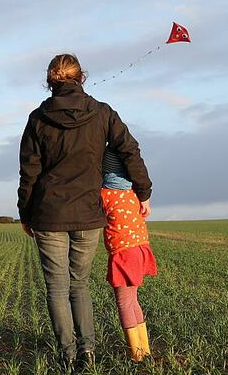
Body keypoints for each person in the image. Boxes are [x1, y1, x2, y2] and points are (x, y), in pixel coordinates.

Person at [17, 54, 152, 370]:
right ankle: (87, 352)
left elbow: (29, 172)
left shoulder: (37, 118)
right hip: (89, 214)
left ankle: (67, 355)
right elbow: (129, 150)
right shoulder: (102, 113)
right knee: (79, 285)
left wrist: (25, 212)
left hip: (48, 215)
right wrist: (143, 192)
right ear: (82, 78)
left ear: (51, 81)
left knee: (57, 287)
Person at [101, 148, 157, 361]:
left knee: (124, 303)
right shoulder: (134, 193)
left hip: (124, 255)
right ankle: (144, 350)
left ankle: (136, 355)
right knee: (132, 301)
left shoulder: (105, 194)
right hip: (139, 250)